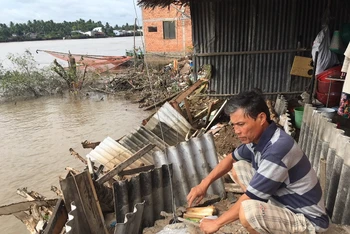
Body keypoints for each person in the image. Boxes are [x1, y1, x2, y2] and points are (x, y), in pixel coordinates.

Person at [187, 90, 329, 234]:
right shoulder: (259, 138)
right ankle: (267, 217)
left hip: (308, 221)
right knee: (238, 166)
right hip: (284, 204)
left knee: (248, 212)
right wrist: (203, 184)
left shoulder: (278, 148)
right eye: (234, 125)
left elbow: (250, 198)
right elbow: (230, 158)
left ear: (261, 118)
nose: (236, 131)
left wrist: (216, 223)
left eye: (241, 124)